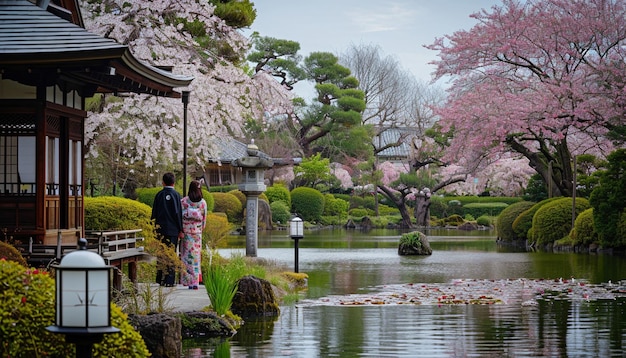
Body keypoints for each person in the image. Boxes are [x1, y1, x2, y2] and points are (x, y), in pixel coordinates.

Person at [151, 172, 183, 286]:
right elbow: (178, 214)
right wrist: (181, 229)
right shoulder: (176, 195)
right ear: (174, 183)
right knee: (171, 253)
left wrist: (153, 228)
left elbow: (154, 212)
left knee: (160, 253)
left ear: (163, 182)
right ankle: (169, 280)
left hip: (160, 229)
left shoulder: (159, 195)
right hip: (173, 230)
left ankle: (159, 278)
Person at [180, 180, 207, 289]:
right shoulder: (202, 203)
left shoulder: (184, 201)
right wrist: (201, 228)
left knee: (186, 258)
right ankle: (195, 282)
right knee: (196, 258)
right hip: (197, 233)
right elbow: (204, 219)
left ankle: (188, 282)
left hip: (186, 232)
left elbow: (179, 217)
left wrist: (181, 229)